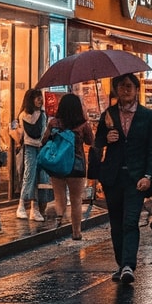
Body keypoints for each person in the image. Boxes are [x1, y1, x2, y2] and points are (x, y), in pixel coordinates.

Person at [90, 73, 152, 285]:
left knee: (131, 220)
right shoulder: (108, 114)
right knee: (116, 222)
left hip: (136, 178)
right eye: (121, 87)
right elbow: (97, 143)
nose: (125, 90)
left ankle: (129, 264)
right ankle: (121, 263)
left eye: (129, 86)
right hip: (113, 176)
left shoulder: (148, 116)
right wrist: (106, 138)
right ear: (116, 90)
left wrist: (149, 175)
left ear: (137, 90)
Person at [49, 94, 94, 241]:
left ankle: (59, 224)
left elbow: (45, 140)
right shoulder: (83, 124)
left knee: (59, 197)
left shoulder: (54, 123)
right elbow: (90, 142)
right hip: (77, 165)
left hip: (57, 164)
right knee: (76, 200)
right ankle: (76, 232)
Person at [14, 90, 48, 221]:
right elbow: (20, 135)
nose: (40, 100)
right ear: (31, 99)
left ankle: (35, 208)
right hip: (29, 148)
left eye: (41, 97)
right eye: (37, 98)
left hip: (41, 148)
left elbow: (44, 132)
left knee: (42, 178)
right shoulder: (23, 115)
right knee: (29, 176)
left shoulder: (42, 115)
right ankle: (22, 205)